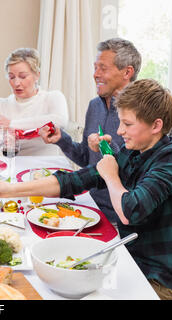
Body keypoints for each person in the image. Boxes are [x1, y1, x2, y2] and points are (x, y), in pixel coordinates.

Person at [0, 79, 172, 300]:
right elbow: (75, 181)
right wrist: (9, 190)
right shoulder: (134, 150)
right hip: (133, 262)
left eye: (127, 125)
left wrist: (111, 175)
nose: (120, 131)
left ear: (156, 126)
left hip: (163, 282)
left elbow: (130, 211)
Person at [40, 38, 142, 223]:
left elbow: (136, 175)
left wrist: (108, 150)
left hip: (120, 218)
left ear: (127, 72)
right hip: (91, 207)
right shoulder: (95, 105)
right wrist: (62, 139)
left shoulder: (142, 112)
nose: (95, 74)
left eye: (103, 68)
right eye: (95, 68)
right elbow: (87, 160)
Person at [0, 48, 68, 156]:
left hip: (48, 168)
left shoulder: (52, 97)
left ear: (37, 75)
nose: (16, 83)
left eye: (23, 77)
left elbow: (60, 120)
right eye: (11, 77)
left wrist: (11, 124)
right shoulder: (2, 105)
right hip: (13, 168)